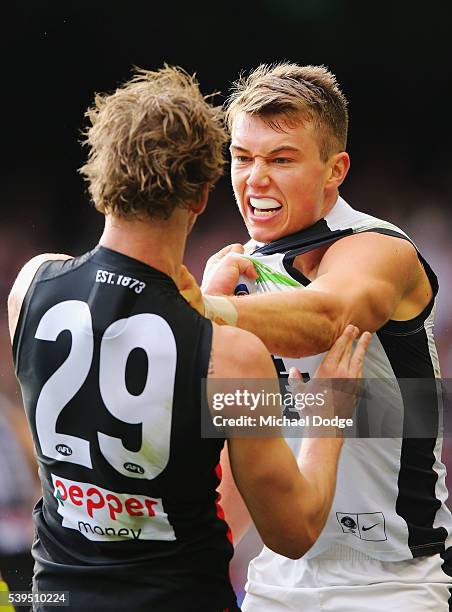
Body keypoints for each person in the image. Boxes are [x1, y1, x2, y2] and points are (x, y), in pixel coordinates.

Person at [7, 66, 370, 612]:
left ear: (99, 174)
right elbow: (292, 531)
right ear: (202, 195)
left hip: (58, 597)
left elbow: (122, 352)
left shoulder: (30, 287)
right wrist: (329, 416)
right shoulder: (231, 355)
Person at [198, 63, 452, 611]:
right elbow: (245, 452)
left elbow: (328, 318)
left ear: (335, 169)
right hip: (277, 577)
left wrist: (203, 311)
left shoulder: (379, 247)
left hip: (395, 582)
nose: (255, 179)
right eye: (243, 157)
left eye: (281, 159)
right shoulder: (238, 271)